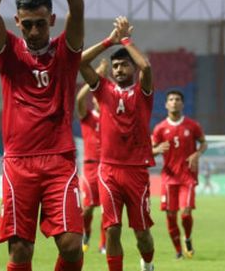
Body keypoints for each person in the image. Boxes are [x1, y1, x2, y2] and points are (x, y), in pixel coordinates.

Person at [0, 0, 85, 271]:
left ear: (52, 20)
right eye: (28, 24)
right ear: (17, 23)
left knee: (72, 246)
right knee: (20, 252)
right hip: (19, 163)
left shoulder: (67, 52)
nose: (35, 30)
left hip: (60, 160)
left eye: (41, 22)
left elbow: (79, 9)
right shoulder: (8, 52)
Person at [79, 17, 156, 271]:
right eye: (116, 66)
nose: (119, 69)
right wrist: (108, 42)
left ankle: (148, 263)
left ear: (131, 68)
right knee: (111, 229)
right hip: (108, 170)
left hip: (137, 171)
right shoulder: (102, 90)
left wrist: (125, 41)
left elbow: (146, 67)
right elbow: (79, 61)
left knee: (142, 233)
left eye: (124, 65)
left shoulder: (143, 93)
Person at [151, 90, 207, 259]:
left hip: (188, 176)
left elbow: (203, 142)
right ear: (166, 104)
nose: (174, 102)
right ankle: (178, 250)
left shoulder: (192, 125)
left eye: (177, 99)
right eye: (171, 99)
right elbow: (150, 151)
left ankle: (188, 238)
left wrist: (197, 153)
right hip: (169, 177)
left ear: (182, 104)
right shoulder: (160, 128)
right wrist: (156, 150)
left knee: (186, 212)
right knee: (170, 214)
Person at [75, 59, 108, 255]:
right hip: (89, 167)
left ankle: (103, 244)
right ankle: (86, 233)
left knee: (107, 209)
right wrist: (93, 79)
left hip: (108, 166)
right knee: (87, 209)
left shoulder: (113, 117)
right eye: (95, 96)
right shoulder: (87, 116)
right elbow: (79, 99)